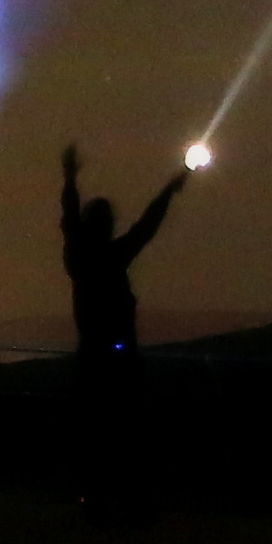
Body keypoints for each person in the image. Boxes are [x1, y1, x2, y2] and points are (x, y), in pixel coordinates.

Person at [55, 141, 189, 516]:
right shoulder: (113, 257)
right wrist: (169, 189)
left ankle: (96, 498)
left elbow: (69, 217)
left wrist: (68, 178)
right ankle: (130, 499)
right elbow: (147, 225)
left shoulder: (79, 259)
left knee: (94, 432)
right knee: (127, 430)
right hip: (119, 353)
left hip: (92, 354)